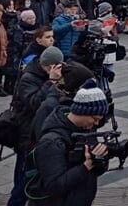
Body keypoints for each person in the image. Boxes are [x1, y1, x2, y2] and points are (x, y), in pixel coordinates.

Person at [33, 79, 112, 206]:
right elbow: (54, 186)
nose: (96, 124)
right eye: (95, 119)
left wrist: (100, 159)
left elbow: (94, 170)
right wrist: (87, 165)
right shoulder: (51, 142)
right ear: (83, 112)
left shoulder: (86, 131)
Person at [8, 46, 65, 206]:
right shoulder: (28, 77)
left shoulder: (51, 75)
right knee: (23, 182)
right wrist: (51, 82)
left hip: (45, 133)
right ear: (48, 66)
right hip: (28, 136)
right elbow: (34, 103)